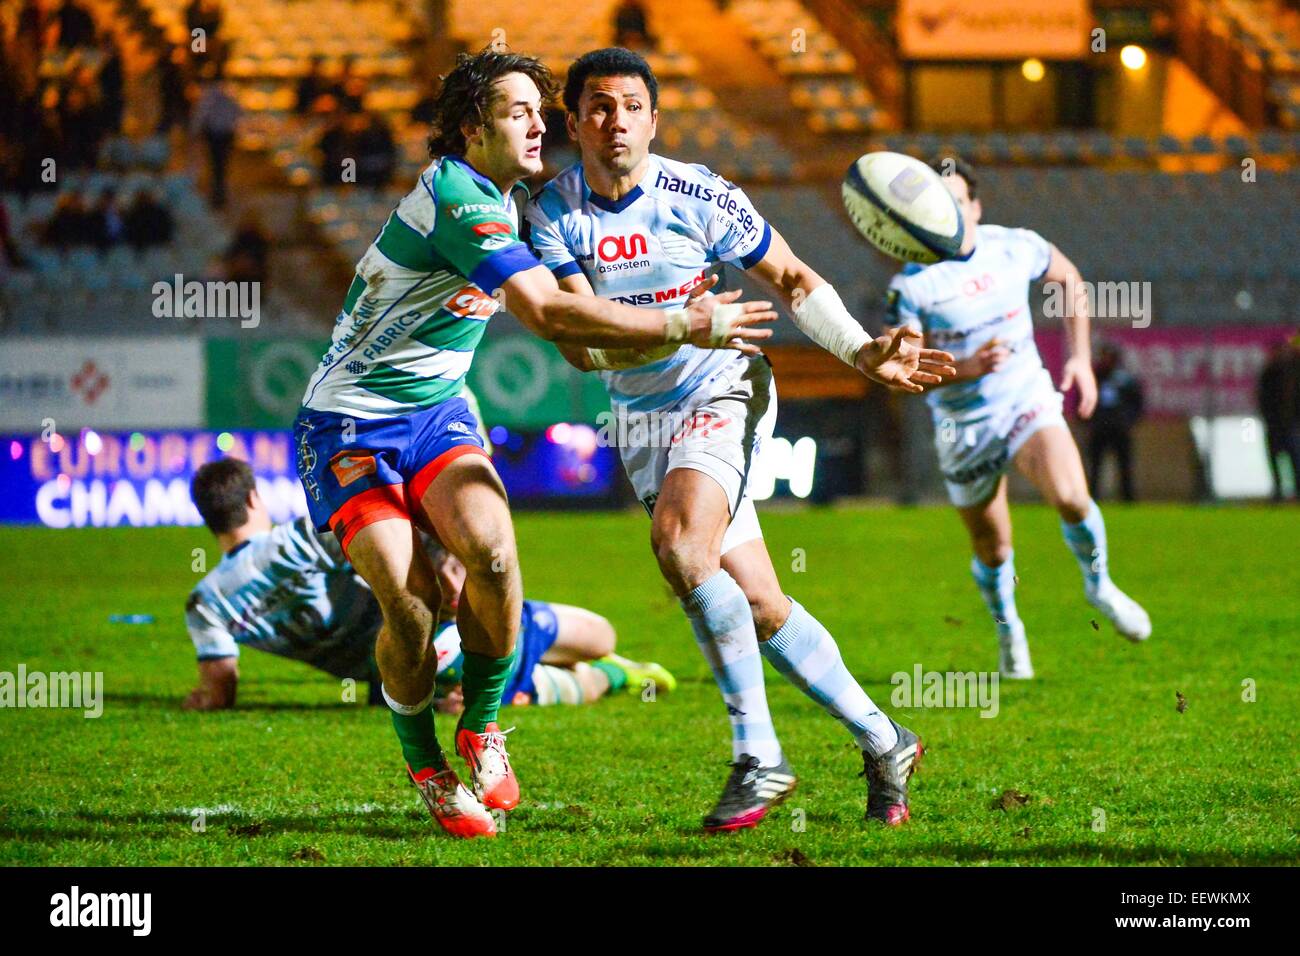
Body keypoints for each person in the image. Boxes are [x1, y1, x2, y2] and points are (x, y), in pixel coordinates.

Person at [291, 48, 776, 839]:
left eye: (538, 111)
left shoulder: (512, 204)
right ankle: (428, 769)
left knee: (493, 557)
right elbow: (550, 316)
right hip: (346, 423)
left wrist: (662, 327)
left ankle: (481, 727)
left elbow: (571, 325)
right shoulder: (459, 198)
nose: (538, 123)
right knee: (412, 606)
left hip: (437, 412)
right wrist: (683, 323)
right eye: (517, 111)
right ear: (468, 129)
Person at [525, 48, 954, 831]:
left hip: (724, 391)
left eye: (630, 105)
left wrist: (862, 351)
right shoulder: (553, 215)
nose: (614, 120)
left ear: (655, 119)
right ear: (575, 121)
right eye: (596, 106)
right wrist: (680, 324)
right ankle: (886, 738)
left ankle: (759, 756)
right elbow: (581, 346)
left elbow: (790, 277)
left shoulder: (699, 193)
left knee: (681, 548)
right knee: (757, 602)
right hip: (643, 421)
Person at [883, 156, 1152, 680]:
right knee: (994, 545)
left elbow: (1070, 280)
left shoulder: (1015, 246)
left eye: (958, 201)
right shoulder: (912, 285)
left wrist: (1079, 357)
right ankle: (1009, 628)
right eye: (938, 205)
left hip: (1025, 398)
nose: (951, 213)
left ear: (976, 206)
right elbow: (907, 370)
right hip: (963, 424)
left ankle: (1099, 585)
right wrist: (967, 367)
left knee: (1074, 497)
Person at [182, 458, 674, 712]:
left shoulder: (204, 602)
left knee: (533, 686)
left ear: (208, 518)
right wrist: (450, 565)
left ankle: (551, 684)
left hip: (390, 681)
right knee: (600, 637)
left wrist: (202, 701)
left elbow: (221, 682)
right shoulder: (300, 538)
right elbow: (396, 540)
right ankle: (618, 673)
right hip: (443, 636)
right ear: (253, 498)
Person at [1087, 341, 1143, 501]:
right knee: (1095, 466)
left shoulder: (1125, 380)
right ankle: (1092, 499)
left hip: (1120, 428)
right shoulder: (1094, 377)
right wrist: (1089, 420)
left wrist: (1128, 420)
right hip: (1099, 428)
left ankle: (1127, 499)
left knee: (1124, 465)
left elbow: (1137, 403)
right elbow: (1081, 400)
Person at [1257, 336, 1300, 502]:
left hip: (1292, 422)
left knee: (1294, 456)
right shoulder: (1270, 372)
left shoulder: (1293, 370)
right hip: (1274, 422)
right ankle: (1278, 490)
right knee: (1275, 457)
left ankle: (1296, 490)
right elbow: (1263, 397)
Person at [191, 69, 240, 208]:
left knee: (215, 164)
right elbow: (238, 112)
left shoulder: (208, 96)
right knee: (222, 164)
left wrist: (195, 131)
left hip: (214, 135)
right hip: (226, 135)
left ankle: (217, 193)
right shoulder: (229, 94)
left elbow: (201, 115)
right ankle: (220, 191)